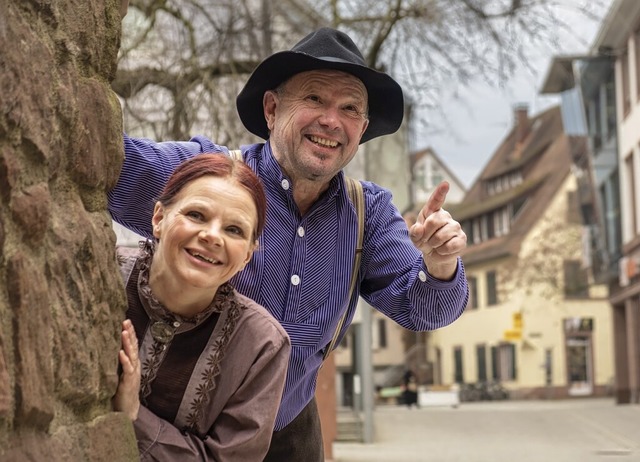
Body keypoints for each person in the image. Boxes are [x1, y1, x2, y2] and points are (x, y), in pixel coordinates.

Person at [109, 27, 469, 461]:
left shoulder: (368, 212)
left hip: (290, 433)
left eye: (350, 108)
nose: (331, 121)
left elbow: (424, 309)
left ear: (363, 128)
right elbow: (104, 159)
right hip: (172, 423)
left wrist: (440, 262)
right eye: (315, 99)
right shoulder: (211, 181)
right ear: (272, 109)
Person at [111, 153, 291, 461]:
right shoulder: (102, 272)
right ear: (158, 218)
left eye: (234, 230)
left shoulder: (263, 346)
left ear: (248, 254)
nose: (212, 236)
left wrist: (134, 416)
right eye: (196, 215)